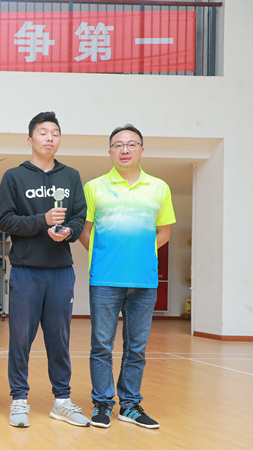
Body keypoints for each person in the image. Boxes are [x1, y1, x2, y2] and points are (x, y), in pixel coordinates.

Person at [78, 124, 175, 430]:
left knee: (136, 348)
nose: (125, 149)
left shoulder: (159, 187)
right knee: (101, 345)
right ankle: (103, 403)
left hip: (144, 280)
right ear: (110, 151)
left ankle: (130, 405)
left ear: (141, 150)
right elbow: (84, 230)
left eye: (131, 144)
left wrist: (142, 252)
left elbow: (164, 231)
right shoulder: (94, 187)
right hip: (105, 280)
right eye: (118, 144)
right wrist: (102, 255)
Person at [0, 111, 90, 428]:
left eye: (55, 133)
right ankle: (19, 400)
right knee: (20, 338)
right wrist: (42, 221)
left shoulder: (71, 176)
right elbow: (5, 220)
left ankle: (61, 401)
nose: (49, 137)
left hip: (60, 271)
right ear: (30, 139)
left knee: (59, 338)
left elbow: (78, 217)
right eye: (43, 132)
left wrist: (68, 232)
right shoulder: (14, 176)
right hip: (26, 271)